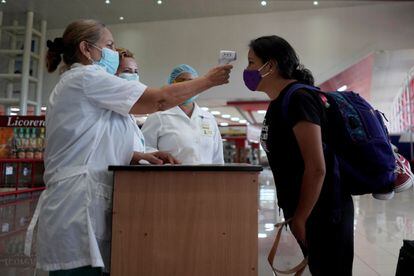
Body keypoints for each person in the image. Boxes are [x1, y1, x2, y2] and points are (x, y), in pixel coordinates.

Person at [24, 19, 232, 276]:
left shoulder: (85, 84)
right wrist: (207, 81)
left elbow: (94, 142)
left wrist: (138, 156)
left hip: (88, 200)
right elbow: (159, 100)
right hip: (77, 205)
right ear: (86, 49)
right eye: (109, 45)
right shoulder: (86, 78)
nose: (114, 52)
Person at [244, 35, 354, 275]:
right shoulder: (280, 102)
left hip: (324, 211)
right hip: (309, 208)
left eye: (251, 62)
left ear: (270, 66)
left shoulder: (299, 99)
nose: (247, 70)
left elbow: (317, 167)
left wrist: (301, 217)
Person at [141, 64, 224, 164]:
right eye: (181, 81)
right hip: (171, 177)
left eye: (191, 82)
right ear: (171, 85)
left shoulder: (208, 118)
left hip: (206, 178)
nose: (186, 87)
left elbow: (217, 157)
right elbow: (143, 148)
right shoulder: (158, 116)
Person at [115, 47, 175, 165]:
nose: (133, 75)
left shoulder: (129, 115)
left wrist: (149, 155)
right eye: (127, 71)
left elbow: (132, 149)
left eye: (135, 72)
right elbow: (107, 150)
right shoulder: (109, 111)